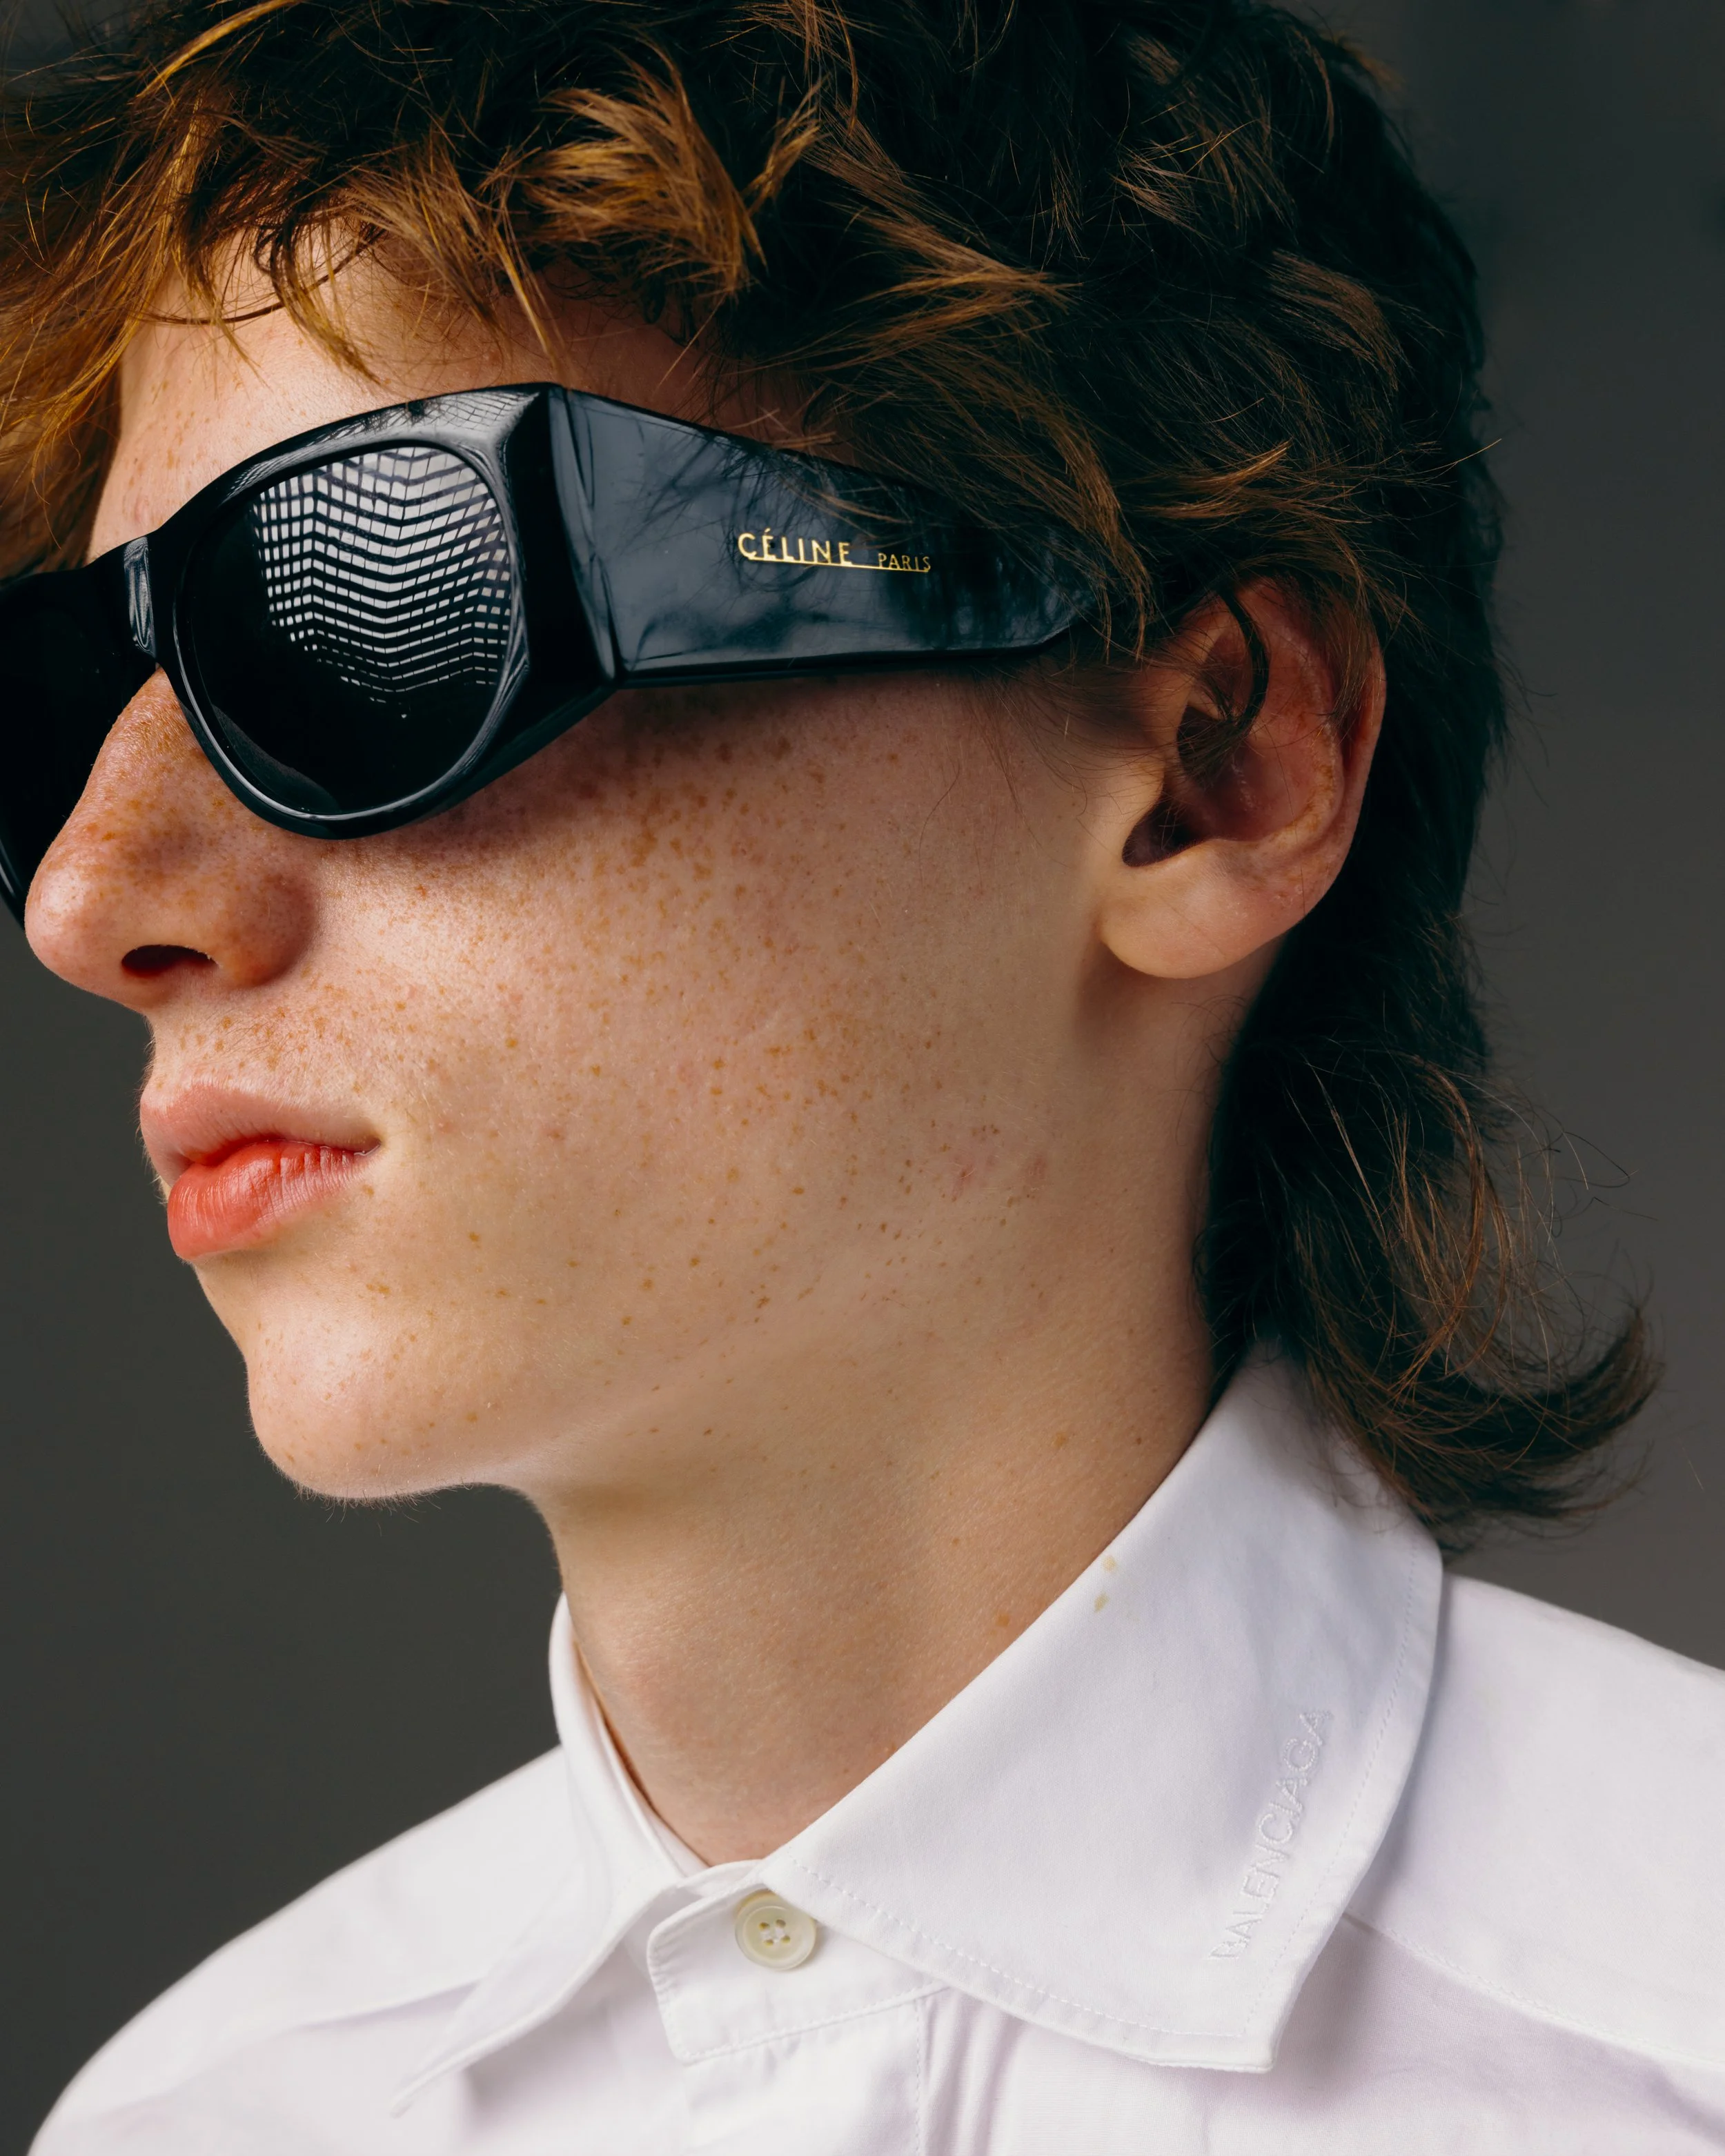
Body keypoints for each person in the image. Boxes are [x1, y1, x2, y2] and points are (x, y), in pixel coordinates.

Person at [6, 0, 1722, 2146]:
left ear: (1208, 767)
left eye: (371, 615)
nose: (88, 897)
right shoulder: (192, 2121)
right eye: (56, 700)